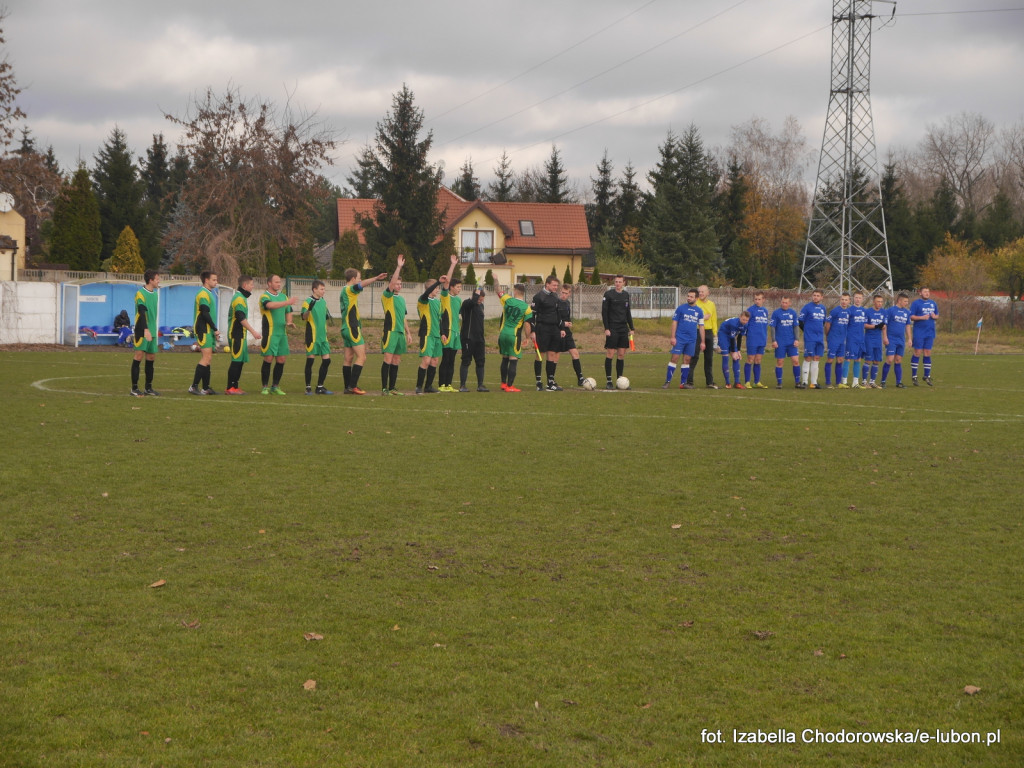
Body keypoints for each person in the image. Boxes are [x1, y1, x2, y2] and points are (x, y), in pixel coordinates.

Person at [339, 266, 390, 395]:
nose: (360, 280)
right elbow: (361, 285)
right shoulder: (349, 289)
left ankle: (347, 387)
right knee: (362, 357)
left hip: (345, 327)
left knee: (348, 358)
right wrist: (376, 278)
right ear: (353, 279)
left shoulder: (344, 291)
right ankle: (353, 386)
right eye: (359, 278)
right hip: (352, 327)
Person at [416, 255, 457, 394]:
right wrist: (436, 282)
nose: (438, 290)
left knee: (434, 361)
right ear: (430, 288)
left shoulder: (438, 302)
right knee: (426, 361)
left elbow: (439, 320)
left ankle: (428, 387)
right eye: (436, 288)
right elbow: (426, 293)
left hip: (436, 336)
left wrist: (442, 333)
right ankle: (418, 387)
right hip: (427, 335)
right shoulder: (423, 301)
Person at [259, 274, 299, 395]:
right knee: (268, 358)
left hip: (282, 333)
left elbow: (289, 310)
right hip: (270, 333)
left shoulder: (283, 296)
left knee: (281, 359)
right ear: (269, 283)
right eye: (276, 282)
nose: (278, 284)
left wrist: (289, 321)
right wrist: (286, 302)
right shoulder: (264, 296)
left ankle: (275, 386)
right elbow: (270, 305)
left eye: (279, 282)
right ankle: (265, 386)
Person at [225, 275, 262, 394]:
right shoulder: (239, 299)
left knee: (240, 361)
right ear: (245, 286)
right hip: (236, 334)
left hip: (240, 334)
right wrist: (254, 331)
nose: (253, 286)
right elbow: (241, 318)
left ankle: (235, 386)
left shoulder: (241, 297)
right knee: (236, 361)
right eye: (251, 284)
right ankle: (230, 387)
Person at [380, 255, 411, 395]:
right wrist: (398, 267)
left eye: (400, 283)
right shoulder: (387, 296)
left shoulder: (402, 299)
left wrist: (408, 333)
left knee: (396, 360)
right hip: (390, 332)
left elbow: (403, 318)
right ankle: (384, 388)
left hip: (400, 333)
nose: (399, 285)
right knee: (388, 358)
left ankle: (392, 388)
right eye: (397, 283)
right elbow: (391, 285)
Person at [664, 288, 704, 389]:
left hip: (692, 339)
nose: (689, 298)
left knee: (687, 360)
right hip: (680, 338)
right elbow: (674, 322)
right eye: (688, 296)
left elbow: (701, 326)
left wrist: (703, 341)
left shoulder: (699, 311)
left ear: (697, 298)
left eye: (691, 297)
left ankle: (683, 383)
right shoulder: (681, 308)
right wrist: (673, 337)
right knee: (674, 358)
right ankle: (667, 382)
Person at [189, 270, 221, 395]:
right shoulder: (203, 294)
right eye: (214, 279)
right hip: (203, 329)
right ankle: (193, 386)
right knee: (206, 357)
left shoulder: (209, 293)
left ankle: (206, 387)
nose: (216, 282)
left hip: (207, 329)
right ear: (206, 280)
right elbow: (204, 312)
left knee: (208, 359)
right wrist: (215, 328)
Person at [530, 275, 564, 391]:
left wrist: (561, 328)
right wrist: (533, 331)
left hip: (554, 329)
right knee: (540, 354)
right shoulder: (538, 297)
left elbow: (558, 314)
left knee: (552, 354)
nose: (556, 287)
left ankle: (551, 382)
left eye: (557, 285)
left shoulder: (555, 297)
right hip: (542, 328)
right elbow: (532, 315)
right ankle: (539, 382)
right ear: (547, 284)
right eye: (554, 285)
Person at [497, 283, 533, 392]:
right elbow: (527, 324)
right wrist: (527, 338)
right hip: (514, 336)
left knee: (505, 358)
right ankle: (510, 386)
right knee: (513, 360)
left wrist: (495, 279)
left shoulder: (508, 300)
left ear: (515, 291)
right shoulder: (527, 308)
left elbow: (498, 290)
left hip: (503, 334)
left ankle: (503, 383)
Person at [130, 269, 160, 397]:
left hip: (152, 330)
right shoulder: (140, 294)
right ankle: (134, 388)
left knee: (151, 358)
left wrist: (152, 330)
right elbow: (141, 312)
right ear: (151, 280)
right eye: (157, 279)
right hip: (142, 330)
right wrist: (145, 329)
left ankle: (148, 387)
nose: (159, 281)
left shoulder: (156, 294)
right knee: (138, 357)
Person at [602, 274, 635, 389]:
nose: (618, 284)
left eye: (620, 282)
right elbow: (604, 313)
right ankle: (609, 381)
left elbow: (628, 312)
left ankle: (620, 381)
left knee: (621, 354)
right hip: (612, 328)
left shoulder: (626, 295)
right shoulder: (608, 294)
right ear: (614, 282)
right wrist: (606, 328)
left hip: (623, 328)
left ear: (624, 283)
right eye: (616, 281)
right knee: (610, 353)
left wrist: (631, 328)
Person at [301, 279, 334, 395]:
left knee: (327, 361)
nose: (324, 291)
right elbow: (304, 317)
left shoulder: (323, 302)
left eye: (324, 289)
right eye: (322, 289)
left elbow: (323, 318)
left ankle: (320, 387)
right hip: (312, 336)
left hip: (323, 337)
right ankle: (308, 387)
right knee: (310, 361)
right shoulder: (307, 301)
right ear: (314, 289)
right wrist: (309, 309)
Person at [458, 283, 488, 392]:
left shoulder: (481, 306)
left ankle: (480, 385)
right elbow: (472, 301)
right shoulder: (467, 304)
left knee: (480, 362)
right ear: (475, 296)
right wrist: (478, 289)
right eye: (479, 299)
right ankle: (462, 386)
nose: (481, 301)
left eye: (482, 299)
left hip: (479, 339)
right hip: (468, 338)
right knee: (466, 361)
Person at [688, 284, 718, 389]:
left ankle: (709, 382)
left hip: (709, 332)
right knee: (694, 356)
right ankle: (689, 381)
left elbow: (714, 319)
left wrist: (715, 333)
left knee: (709, 358)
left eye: (702, 291)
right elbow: (691, 317)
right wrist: (703, 317)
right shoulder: (695, 304)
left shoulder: (712, 304)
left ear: (708, 293)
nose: (700, 293)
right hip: (697, 331)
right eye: (699, 291)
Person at [438, 275, 464, 392]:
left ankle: (449, 384)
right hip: (447, 332)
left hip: (455, 333)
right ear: (451, 287)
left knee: (452, 360)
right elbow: (441, 318)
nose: (459, 289)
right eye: (458, 287)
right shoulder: (445, 297)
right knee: (446, 359)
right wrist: (442, 332)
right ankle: (441, 384)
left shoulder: (459, 300)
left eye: (460, 287)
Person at [556, 283, 585, 386]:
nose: (563, 295)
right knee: (556, 356)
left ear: (569, 294)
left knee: (575, 353)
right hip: (558, 331)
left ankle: (580, 378)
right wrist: (563, 325)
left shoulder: (568, 303)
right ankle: (551, 379)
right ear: (560, 292)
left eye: (566, 293)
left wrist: (569, 323)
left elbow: (566, 317)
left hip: (567, 332)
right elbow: (555, 318)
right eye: (562, 292)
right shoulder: (556, 303)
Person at [769, 295, 801, 389]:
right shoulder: (776, 313)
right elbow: (772, 327)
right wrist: (774, 340)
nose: (784, 304)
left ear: (790, 303)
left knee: (795, 361)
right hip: (780, 342)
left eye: (786, 302)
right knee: (780, 361)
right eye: (783, 302)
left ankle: (797, 382)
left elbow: (795, 327)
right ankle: (779, 383)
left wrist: (797, 339)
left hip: (791, 341)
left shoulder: (793, 313)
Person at [909, 286, 939, 386]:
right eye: (925, 291)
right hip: (919, 332)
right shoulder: (916, 303)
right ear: (920, 293)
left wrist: (935, 317)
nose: (927, 293)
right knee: (917, 352)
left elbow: (937, 315)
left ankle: (927, 376)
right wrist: (921, 317)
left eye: (928, 291)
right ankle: (914, 376)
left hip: (930, 332)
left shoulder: (933, 303)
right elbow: (911, 317)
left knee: (927, 352)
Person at [881, 293, 912, 388]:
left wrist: (909, 338)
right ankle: (883, 381)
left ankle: (899, 382)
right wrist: (885, 337)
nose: (907, 303)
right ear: (899, 301)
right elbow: (884, 325)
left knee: (898, 360)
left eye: (907, 301)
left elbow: (907, 326)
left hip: (901, 339)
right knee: (890, 360)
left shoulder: (907, 312)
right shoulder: (890, 311)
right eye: (905, 301)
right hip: (891, 339)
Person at [799, 289, 827, 389]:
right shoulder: (807, 307)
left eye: (818, 295)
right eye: (814, 295)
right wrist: (807, 331)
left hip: (819, 337)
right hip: (810, 337)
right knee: (808, 357)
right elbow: (800, 321)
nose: (815, 297)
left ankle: (813, 383)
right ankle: (805, 382)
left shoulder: (823, 308)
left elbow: (823, 322)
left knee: (817, 358)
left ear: (821, 297)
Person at [824, 292, 851, 389]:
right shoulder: (835, 311)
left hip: (842, 340)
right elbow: (827, 324)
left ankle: (838, 382)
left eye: (846, 300)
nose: (844, 301)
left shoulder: (848, 312)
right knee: (830, 359)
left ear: (849, 301)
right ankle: (828, 382)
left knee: (840, 360)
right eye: (842, 299)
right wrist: (827, 336)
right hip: (833, 339)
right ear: (840, 300)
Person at [743, 291, 770, 388]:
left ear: (763, 300)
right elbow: (745, 324)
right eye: (756, 299)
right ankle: (747, 382)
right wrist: (746, 334)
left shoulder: (765, 311)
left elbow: (764, 325)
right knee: (750, 359)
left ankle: (757, 381)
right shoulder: (750, 310)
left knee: (758, 360)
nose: (757, 301)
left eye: (759, 299)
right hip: (752, 339)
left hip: (762, 339)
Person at [717, 312, 751, 389]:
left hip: (731, 337)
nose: (745, 322)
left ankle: (737, 382)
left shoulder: (745, 325)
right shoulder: (733, 324)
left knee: (736, 358)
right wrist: (734, 351)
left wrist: (738, 350)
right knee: (726, 357)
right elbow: (732, 339)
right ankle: (728, 383)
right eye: (743, 319)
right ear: (740, 317)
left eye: (746, 320)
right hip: (723, 335)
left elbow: (739, 337)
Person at [843, 291, 868, 388]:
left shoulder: (864, 311)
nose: (858, 299)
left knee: (858, 359)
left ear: (862, 299)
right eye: (856, 297)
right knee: (848, 358)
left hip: (861, 338)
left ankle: (855, 382)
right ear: (853, 298)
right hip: (851, 338)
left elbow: (864, 324)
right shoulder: (849, 310)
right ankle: (844, 382)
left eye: (860, 298)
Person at [862, 294, 887, 388]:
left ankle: (872, 382)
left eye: (881, 302)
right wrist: (875, 326)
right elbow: (864, 325)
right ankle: (864, 382)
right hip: (869, 338)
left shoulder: (883, 312)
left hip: (878, 339)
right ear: (873, 302)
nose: (880, 303)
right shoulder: (868, 311)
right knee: (868, 359)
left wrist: (885, 337)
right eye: (878, 301)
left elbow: (884, 326)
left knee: (877, 360)